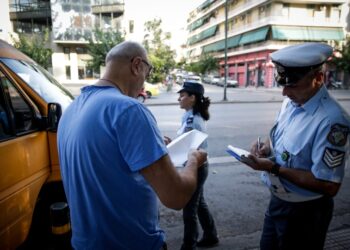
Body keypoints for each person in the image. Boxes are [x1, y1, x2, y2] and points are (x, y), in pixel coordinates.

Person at [57, 41, 207, 250]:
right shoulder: (128, 109)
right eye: (147, 71)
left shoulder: (71, 110)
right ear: (137, 65)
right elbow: (176, 196)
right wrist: (193, 160)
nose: (144, 84)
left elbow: (104, 161)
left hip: (84, 243)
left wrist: (150, 146)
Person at [241, 42, 350, 250]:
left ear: (318, 79)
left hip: (305, 213)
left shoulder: (332, 121)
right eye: (282, 84)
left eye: (292, 85)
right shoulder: (291, 102)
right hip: (278, 201)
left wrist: (273, 168)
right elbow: (279, 136)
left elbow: (329, 184)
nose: (284, 92)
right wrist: (264, 147)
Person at [166, 81, 219, 250]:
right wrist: (173, 143)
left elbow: (194, 148)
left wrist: (171, 148)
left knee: (189, 208)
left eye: (182, 95)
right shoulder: (189, 115)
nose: (179, 99)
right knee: (199, 204)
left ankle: (189, 245)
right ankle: (211, 236)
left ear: (192, 98)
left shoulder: (193, 119)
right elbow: (187, 143)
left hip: (196, 167)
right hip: (197, 165)